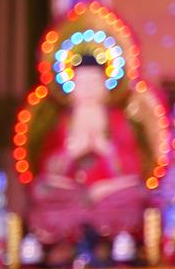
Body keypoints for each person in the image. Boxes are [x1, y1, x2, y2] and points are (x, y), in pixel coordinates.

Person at [27, 57, 149, 247]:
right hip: (70, 193)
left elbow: (133, 169)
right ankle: (74, 232)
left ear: (104, 87)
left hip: (110, 194)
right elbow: (48, 170)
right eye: (82, 83)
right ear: (73, 88)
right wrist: (70, 153)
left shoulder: (117, 120)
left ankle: (101, 231)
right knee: (41, 189)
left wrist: (106, 150)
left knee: (137, 190)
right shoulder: (62, 122)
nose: (88, 89)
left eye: (94, 82)